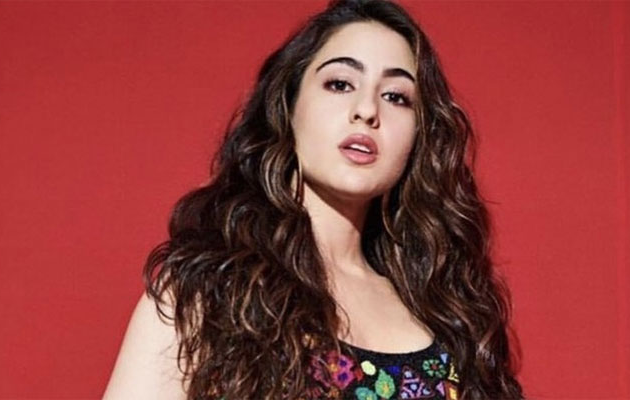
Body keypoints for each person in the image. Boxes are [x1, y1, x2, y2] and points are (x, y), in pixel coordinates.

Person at [103, 0, 525, 399]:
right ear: (288, 108)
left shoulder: (447, 310)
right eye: (340, 84)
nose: (367, 110)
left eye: (396, 97)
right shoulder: (207, 292)